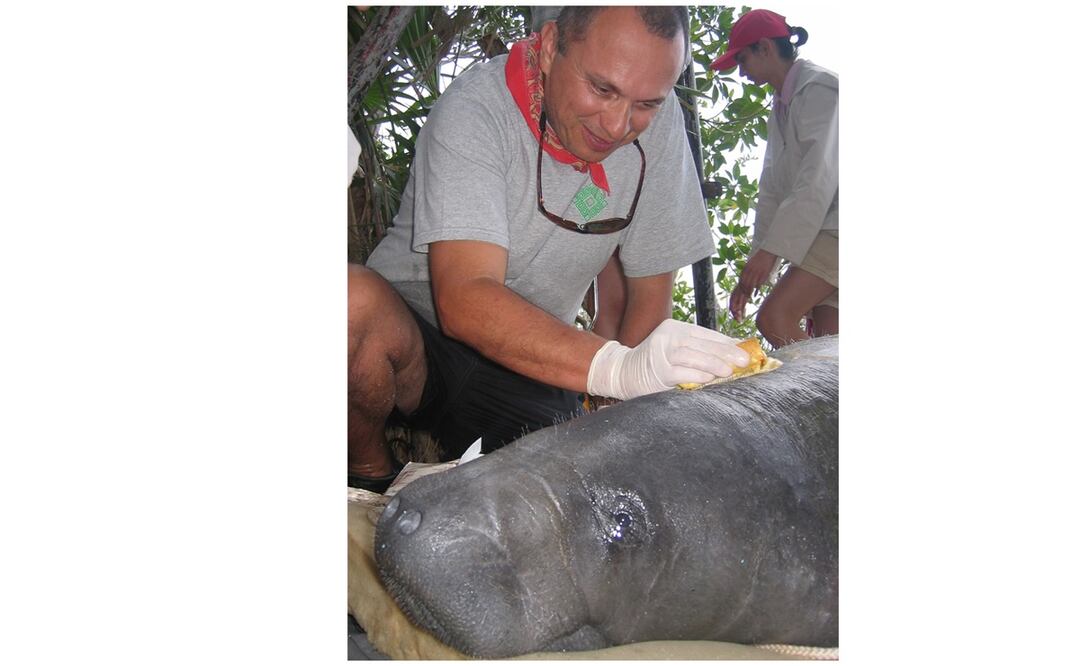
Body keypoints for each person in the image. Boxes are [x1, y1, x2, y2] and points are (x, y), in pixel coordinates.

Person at [350, 6, 751, 491]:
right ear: (548, 48)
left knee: (590, 496)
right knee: (348, 303)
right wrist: (618, 368)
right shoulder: (477, 109)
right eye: (602, 89)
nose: (618, 124)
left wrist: (620, 400)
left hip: (539, 365)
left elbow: (649, 297)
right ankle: (367, 476)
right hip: (420, 340)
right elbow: (465, 297)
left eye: (646, 103)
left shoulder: (659, 133)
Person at [715, 9, 839, 348]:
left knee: (774, 318)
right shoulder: (782, 106)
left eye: (742, 59)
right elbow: (772, 193)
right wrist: (754, 271)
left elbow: (818, 179)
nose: (740, 72)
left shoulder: (821, 88)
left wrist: (770, 255)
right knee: (830, 344)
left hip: (838, 228)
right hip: (824, 232)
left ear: (765, 47)